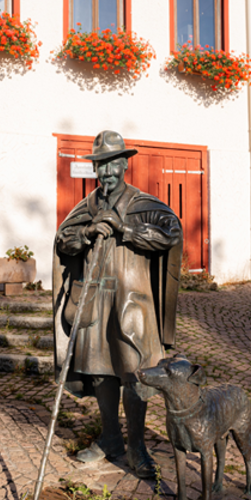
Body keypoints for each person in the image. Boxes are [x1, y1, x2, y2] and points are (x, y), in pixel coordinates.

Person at [52, 130, 182, 478]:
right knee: (100, 372)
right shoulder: (87, 207)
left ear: (125, 164)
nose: (106, 173)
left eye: (112, 165)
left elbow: (170, 233)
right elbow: (63, 240)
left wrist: (123, 229)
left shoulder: (143, 204)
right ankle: (110, 438)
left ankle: (137, 447)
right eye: (100, 167)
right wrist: (85, 234)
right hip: (95, 299)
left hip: (132, 302)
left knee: (135, 372)